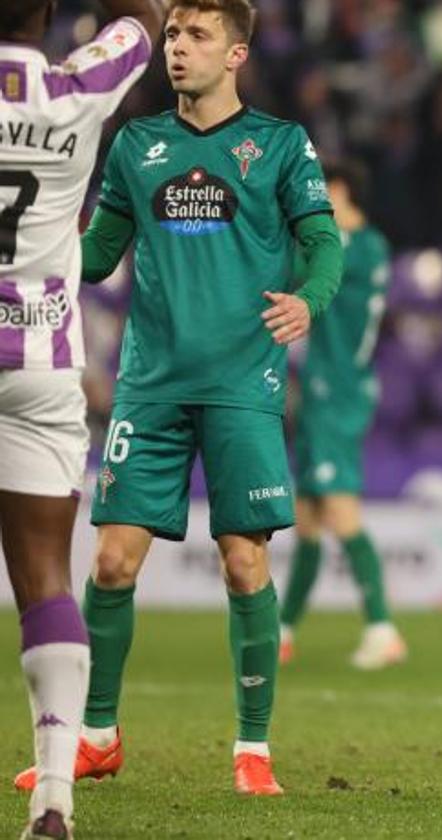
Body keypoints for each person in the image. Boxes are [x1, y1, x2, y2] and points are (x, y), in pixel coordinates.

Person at [12, 0, 343, 798]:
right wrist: (39, 246)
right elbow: (95, 257)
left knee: (242, 563)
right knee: (114, 563)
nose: (177, 49)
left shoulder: (279, 144)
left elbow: (324, 240)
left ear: (237, 53)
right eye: (172, 34)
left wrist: (311, 299)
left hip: (242, 383)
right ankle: (96, 736)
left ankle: (252, 749)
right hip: (149, 386)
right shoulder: (136, 144)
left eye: (197, 36)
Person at [0, 0, 161, 835]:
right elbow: (145, 18)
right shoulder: (77, 87)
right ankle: (55, 795)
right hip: (37, 360)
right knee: (46, 580)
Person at [279, 161, 407, 670]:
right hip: (325, 387)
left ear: (339, 191)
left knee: (337, 506)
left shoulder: (355, 246)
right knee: (308, 515)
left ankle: (382, 627)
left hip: (339, 390)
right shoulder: (366, 247)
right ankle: (283, 629)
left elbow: (291, 269)